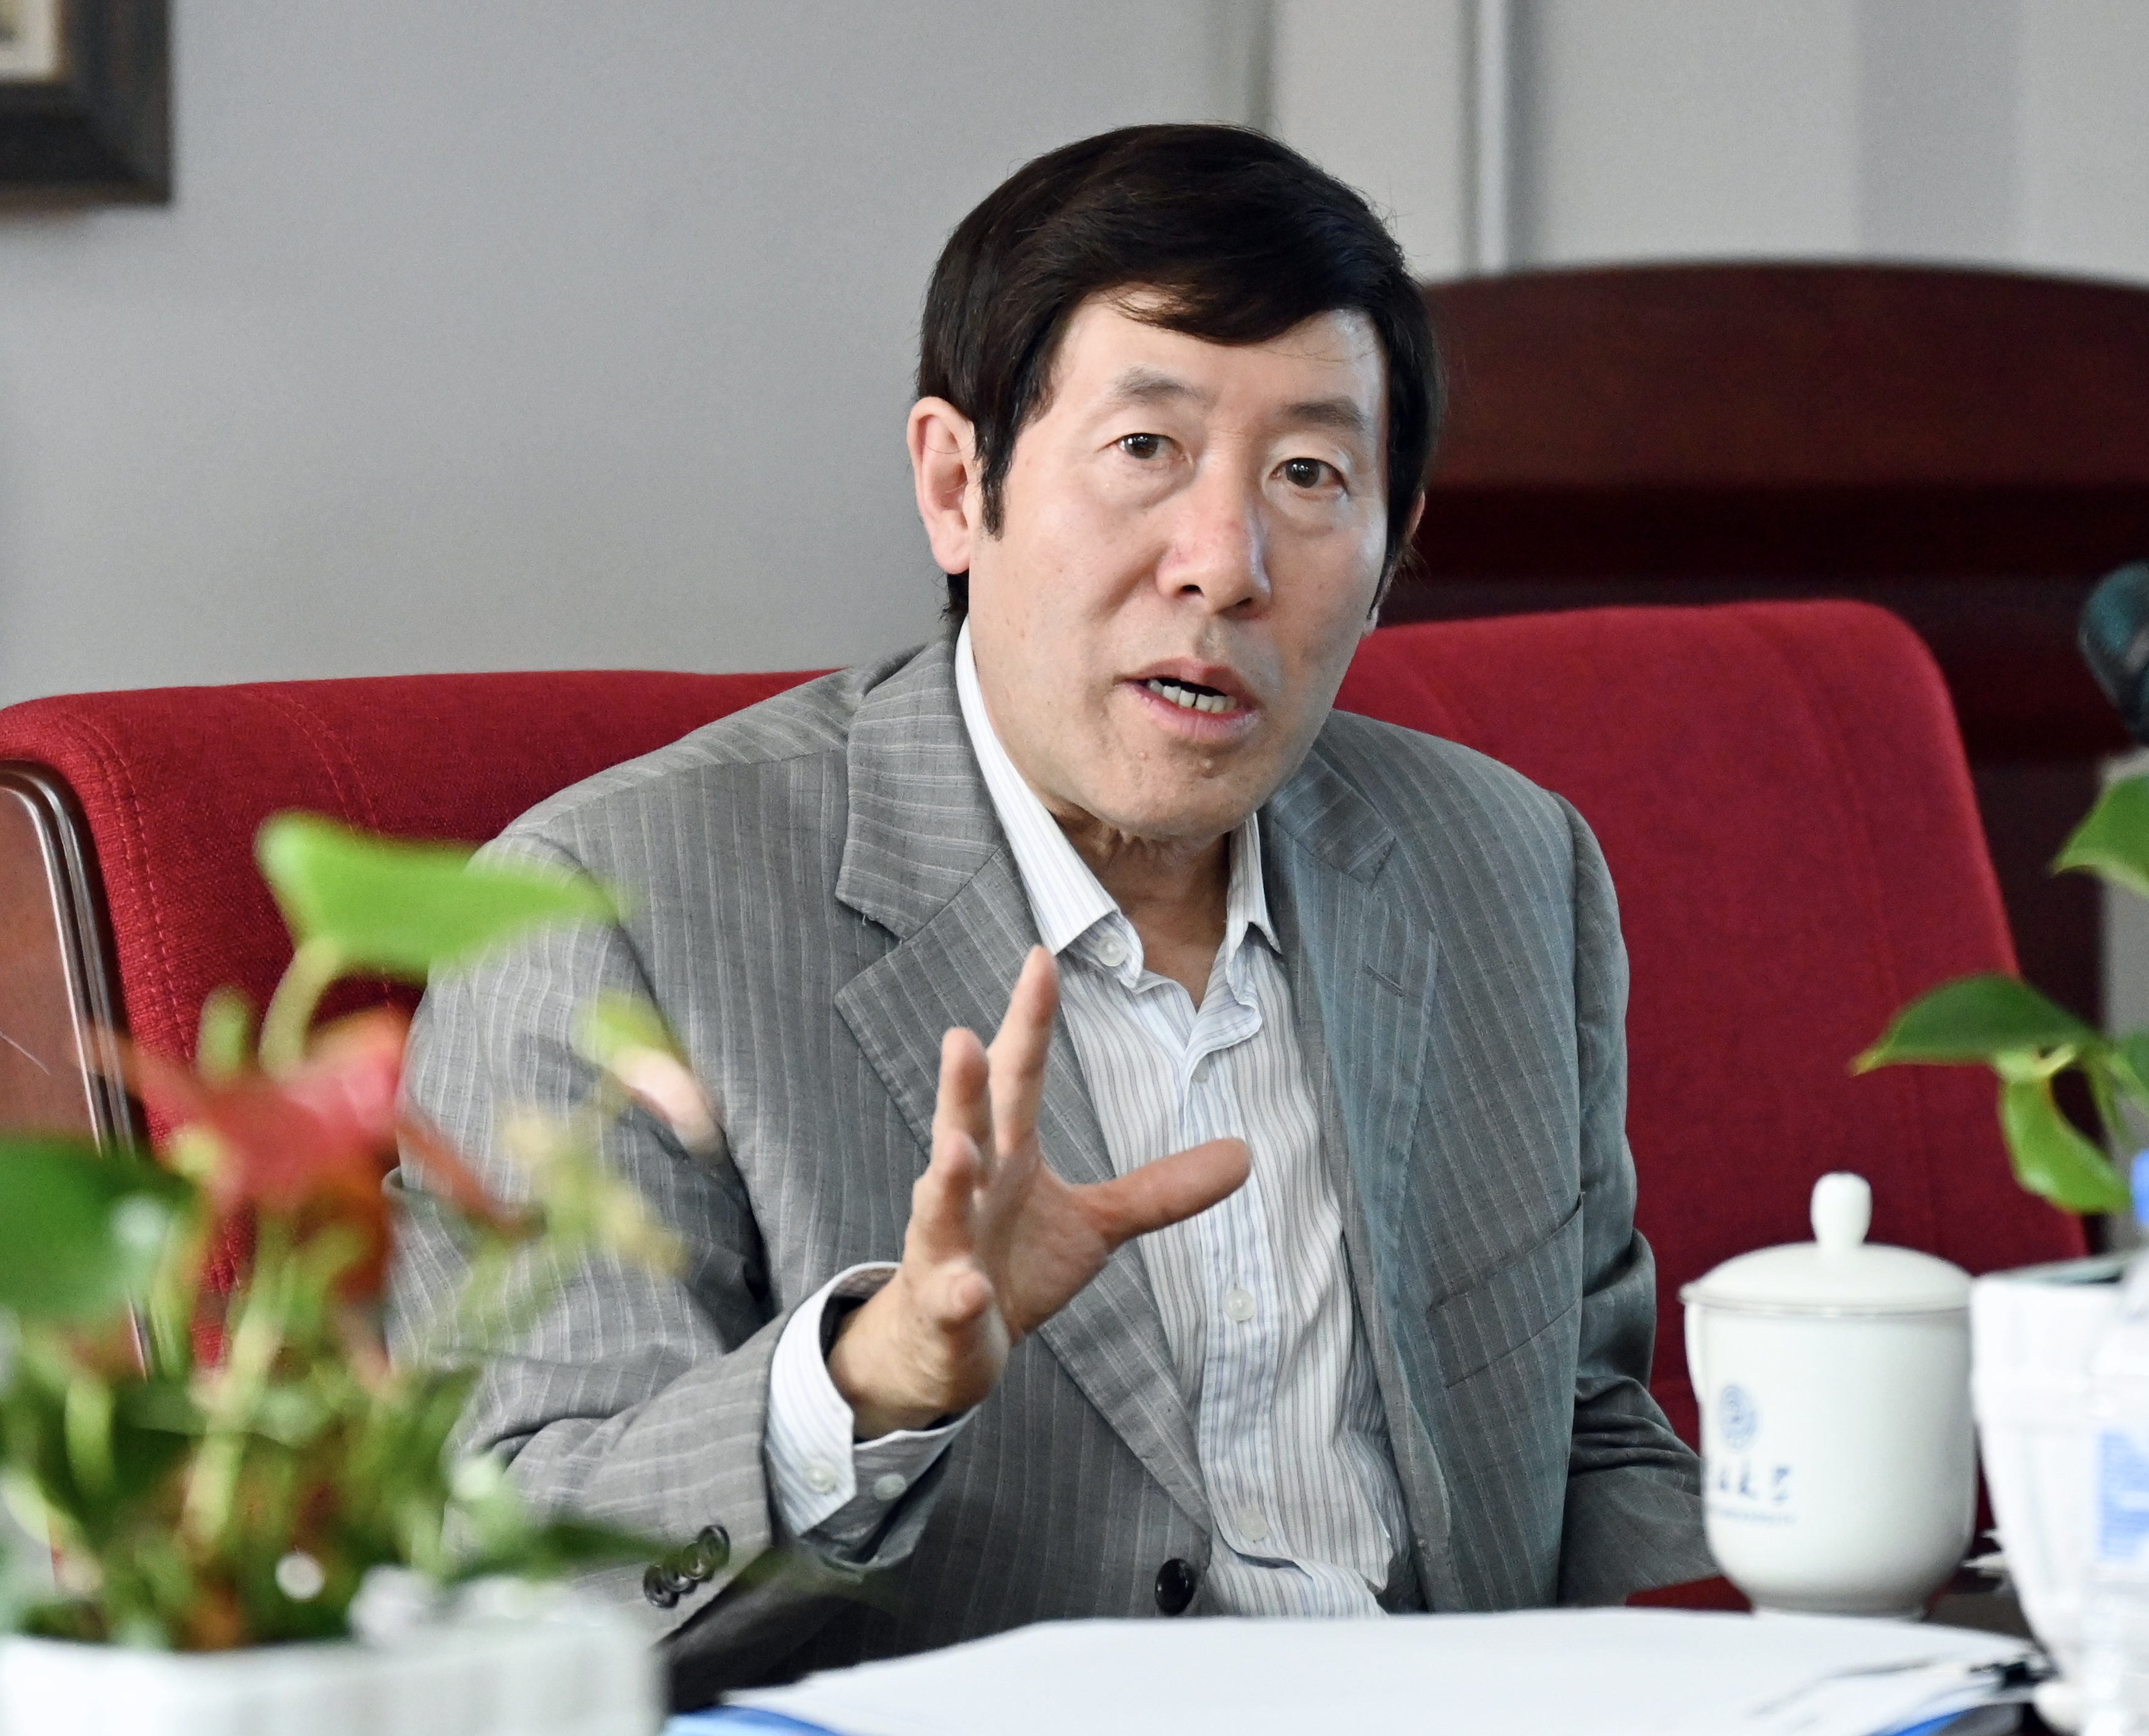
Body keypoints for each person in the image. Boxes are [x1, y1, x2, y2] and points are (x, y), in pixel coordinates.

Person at [392, 122, 1710, 1704]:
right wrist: (875, 1377)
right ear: (960, 486)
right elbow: (509, 1584)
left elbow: (1584, 1441)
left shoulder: (1502, 866)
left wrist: (1820, 1639)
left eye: (1308, 475)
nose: (1223, 565)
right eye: (1147, 447)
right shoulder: (606, 912)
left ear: (1390, 548)